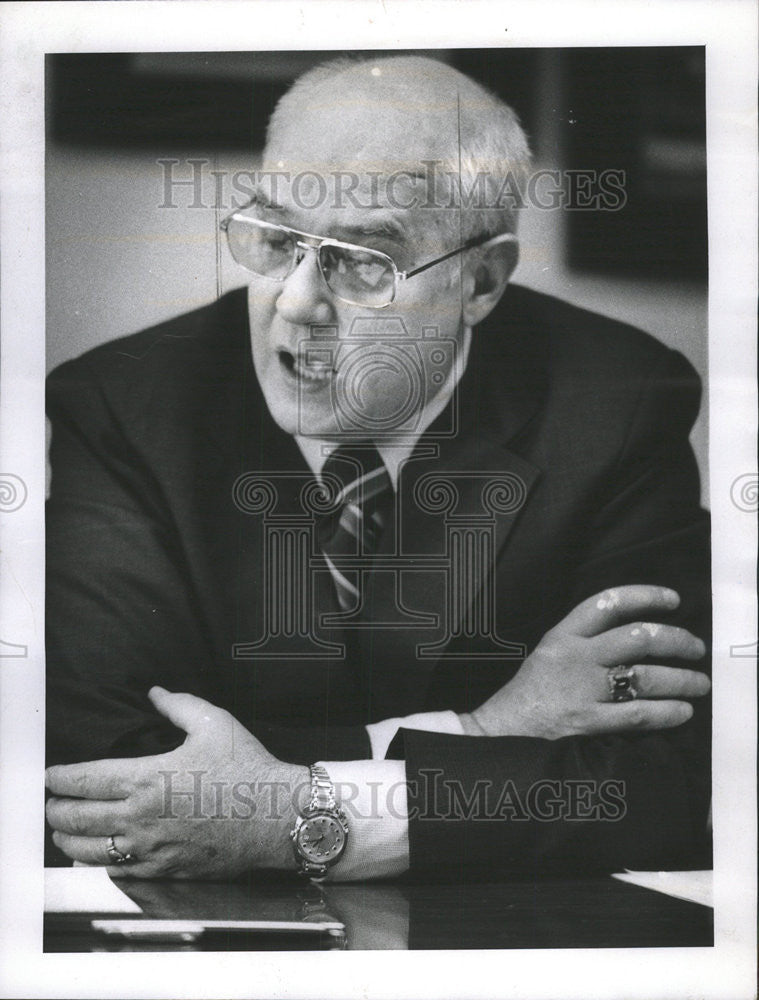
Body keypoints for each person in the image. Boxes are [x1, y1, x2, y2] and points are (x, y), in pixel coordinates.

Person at [44, 55, 711, 883]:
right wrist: (484, 732)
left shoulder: (616, 400)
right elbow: (100, 777)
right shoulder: (120, 404)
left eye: (362, 260)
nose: (292, 304)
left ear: (482, 279)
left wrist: (288, 812)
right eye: (278, 237)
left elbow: (663, 787)